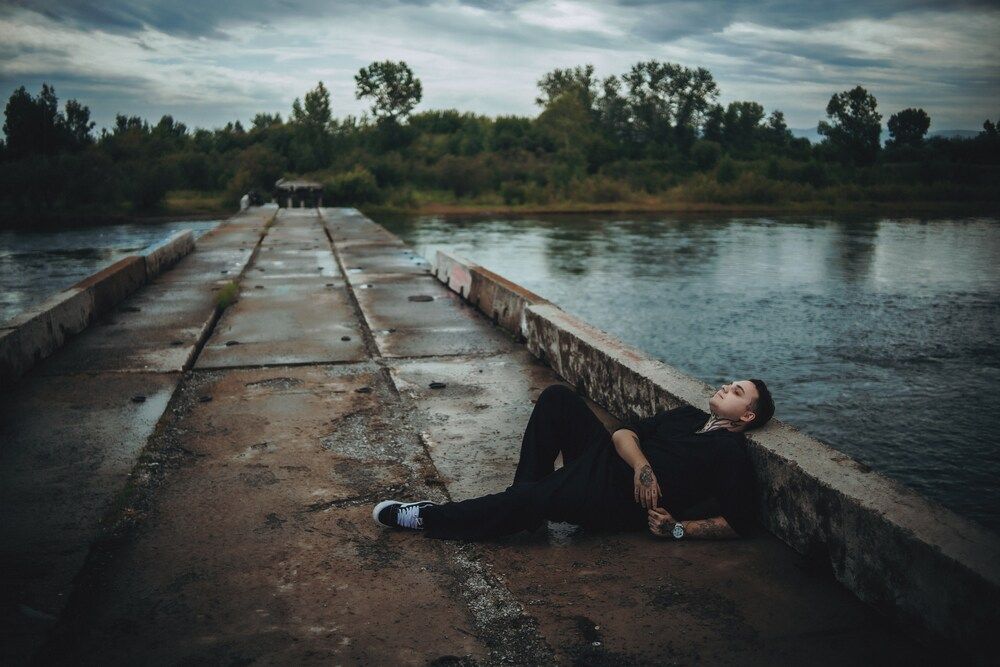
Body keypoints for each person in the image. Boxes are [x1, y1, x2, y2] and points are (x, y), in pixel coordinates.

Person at [373, 379, 774, 541]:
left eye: (737, 392)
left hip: (614, 499)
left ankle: (427, 517)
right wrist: (642, 466)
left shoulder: (728, 452)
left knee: (530, 498)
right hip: (609, 461)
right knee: (557, 398)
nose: (727, 387)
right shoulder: (689, 416)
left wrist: (678, 529)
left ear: (746, 417)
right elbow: (624, 433)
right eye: (730, 383)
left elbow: (740, 521)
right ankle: (525, 504)